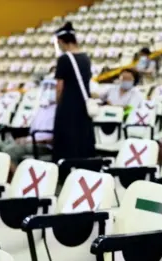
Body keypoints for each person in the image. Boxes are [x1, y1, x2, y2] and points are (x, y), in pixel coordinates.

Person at [0, 79, 57, 174]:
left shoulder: (58, 110)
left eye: (52, 88)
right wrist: (24, 139)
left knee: (10, 152)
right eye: (46, 87)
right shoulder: (41, 108)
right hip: (29, 140)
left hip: (43, 145)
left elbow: (51, 137)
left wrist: (27, 140)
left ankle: (17, 180)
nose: (48, 90)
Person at [53, 22, 96, 162]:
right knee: (81, 138)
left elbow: (60, 86)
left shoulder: (64, 59)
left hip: (68, 104)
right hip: (83, 104)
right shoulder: (85, 58)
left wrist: (58, 103)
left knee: (67, 139)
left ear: (61, 41)